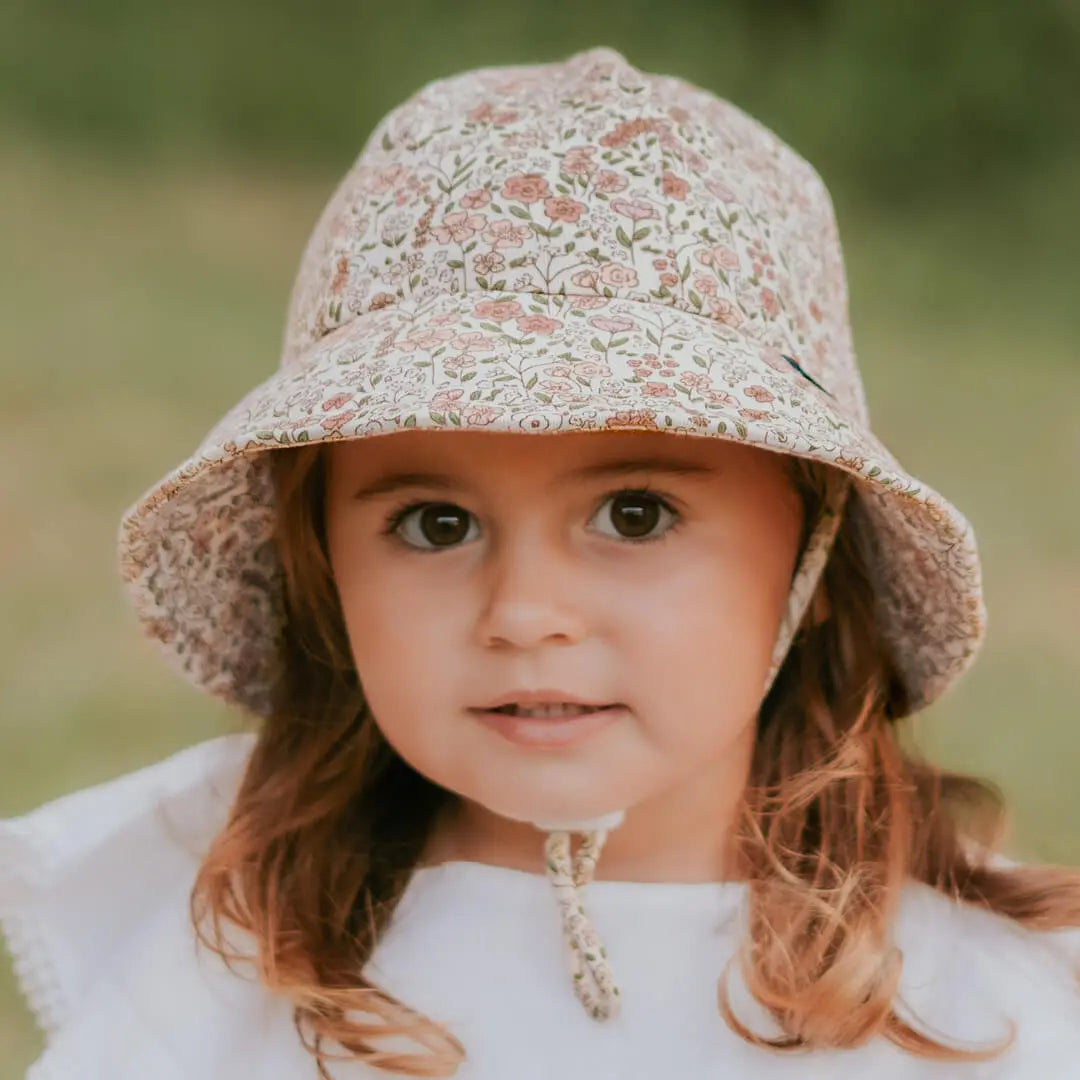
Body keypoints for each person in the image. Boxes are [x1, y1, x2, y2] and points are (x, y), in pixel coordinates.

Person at [2, 45, 1078, 1080]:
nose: (525, 614)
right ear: (324, 568)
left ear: (815, 551)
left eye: (637, 513)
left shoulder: (976, 1011)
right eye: (434, 525)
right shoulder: (236, 949)